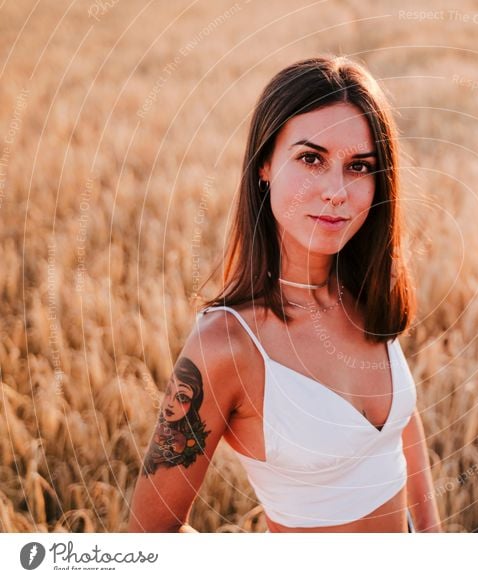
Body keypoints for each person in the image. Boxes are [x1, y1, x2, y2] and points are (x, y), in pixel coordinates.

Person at [128, 55, 442, 533]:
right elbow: (149, 535)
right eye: (311, 158)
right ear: (264, 166)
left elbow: (402, 425)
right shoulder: (226, 347)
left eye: (359, 166)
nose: (337, 190)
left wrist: (433, 538)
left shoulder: (364, 288)